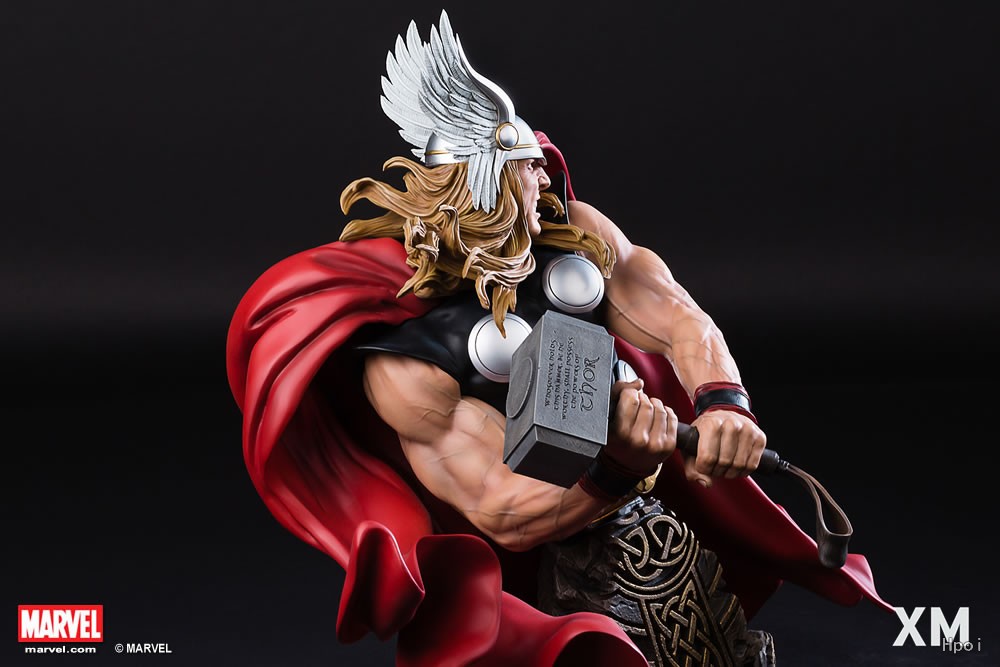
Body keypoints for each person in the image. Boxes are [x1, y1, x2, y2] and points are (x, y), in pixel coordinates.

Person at [227, 11, 888, 666]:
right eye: (525, 166)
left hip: (657, 522)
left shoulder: (576, 239)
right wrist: (613, 468)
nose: (545, 176)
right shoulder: (413, 365)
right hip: (568, 555)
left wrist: (723, 403)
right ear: (483, 181)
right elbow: (500, 507)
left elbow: (678, 316)